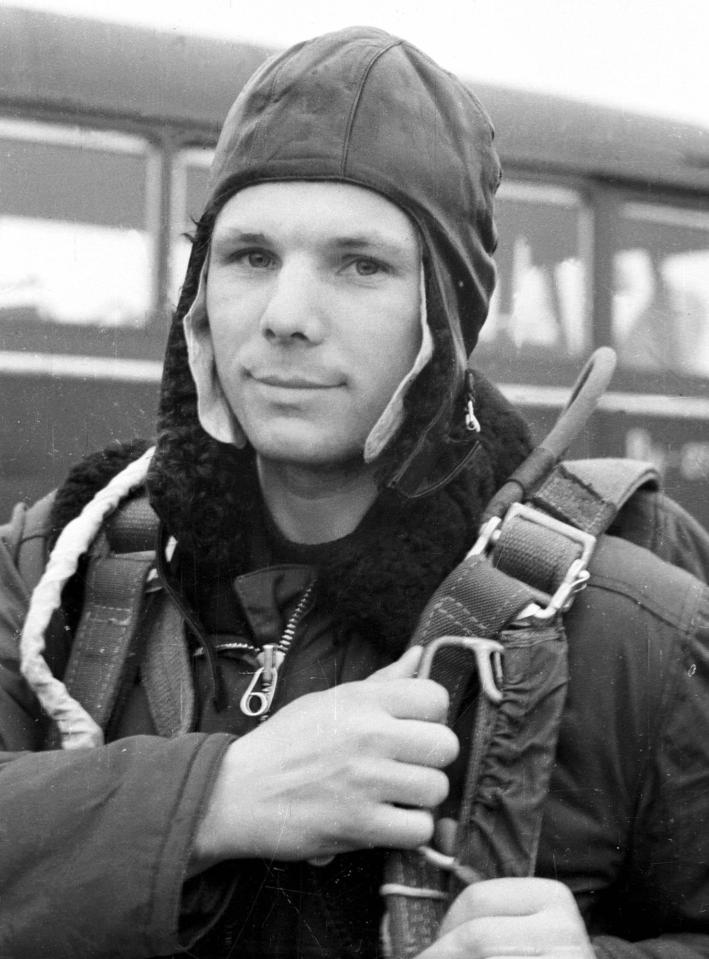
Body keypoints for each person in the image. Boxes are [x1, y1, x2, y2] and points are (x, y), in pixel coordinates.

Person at [2, 25, 709, 959]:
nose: (286, 318)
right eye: (249, 256)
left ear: (446, 310)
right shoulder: (55, 564)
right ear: (201, 293)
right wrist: (218, 795)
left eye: (359, 264)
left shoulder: (637, 630)